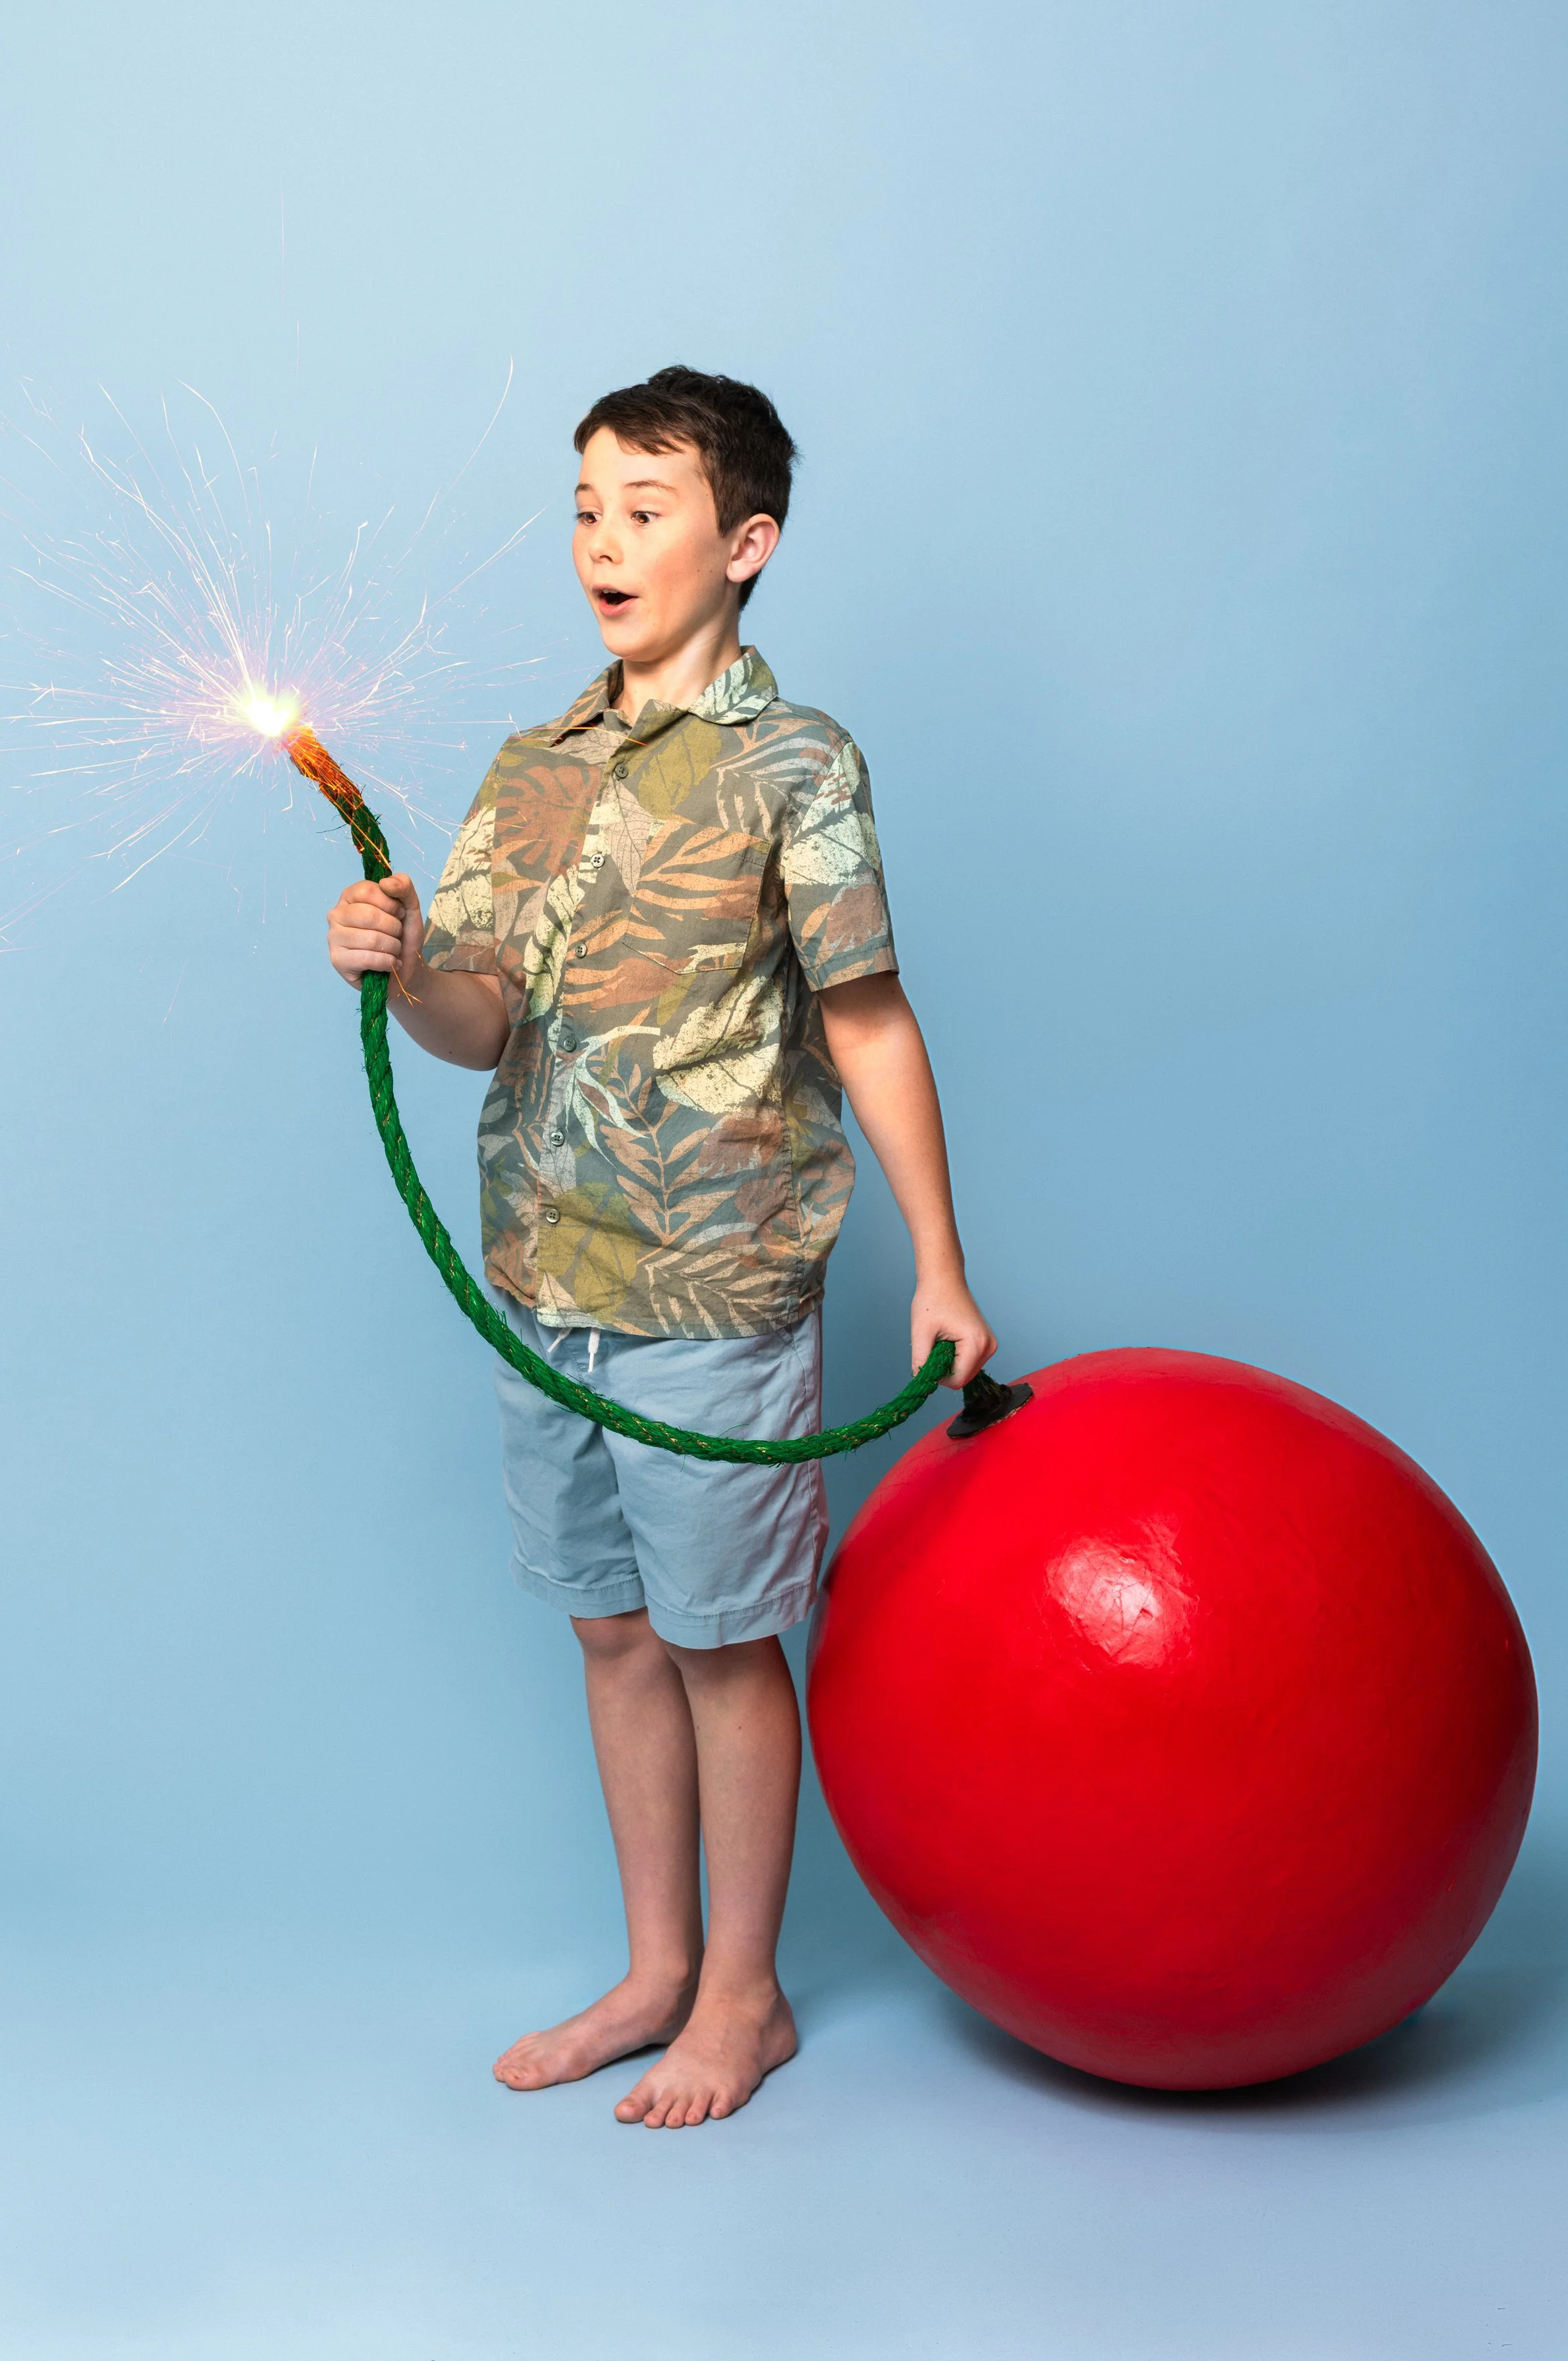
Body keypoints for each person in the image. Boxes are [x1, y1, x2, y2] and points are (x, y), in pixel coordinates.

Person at [327, 367, 994, 2128]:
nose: (600, 538)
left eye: (643, 505)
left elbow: (865, 1021)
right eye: (582, 506)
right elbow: (479, 1026)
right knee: (613, 1633)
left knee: (718, 1642)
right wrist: (403, 969)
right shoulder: (530, 772)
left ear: (744, 541)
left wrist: (937, 1260)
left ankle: (746, 1994)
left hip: (715, 1284)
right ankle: (653, 1966)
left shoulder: (796, 764)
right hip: (545, 1282)